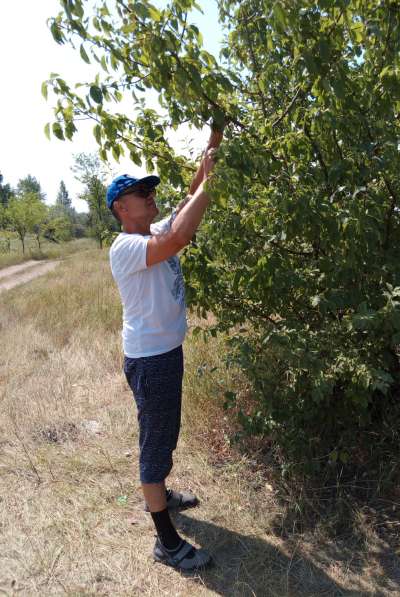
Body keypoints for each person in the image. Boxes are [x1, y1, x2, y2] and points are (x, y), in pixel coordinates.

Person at [106, 124, 223, 572]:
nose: (149, 195)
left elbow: (188, 200)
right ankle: (167, 543)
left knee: (165, 434)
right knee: (154, 447)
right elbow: (178, 238)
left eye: (149, 189)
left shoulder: (149, 229)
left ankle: (163, 496)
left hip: (165, 353)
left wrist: (213, 147)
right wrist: (216, 185)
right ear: (121, 207)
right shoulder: (125, 246)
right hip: (150, 360)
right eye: (140, 192)